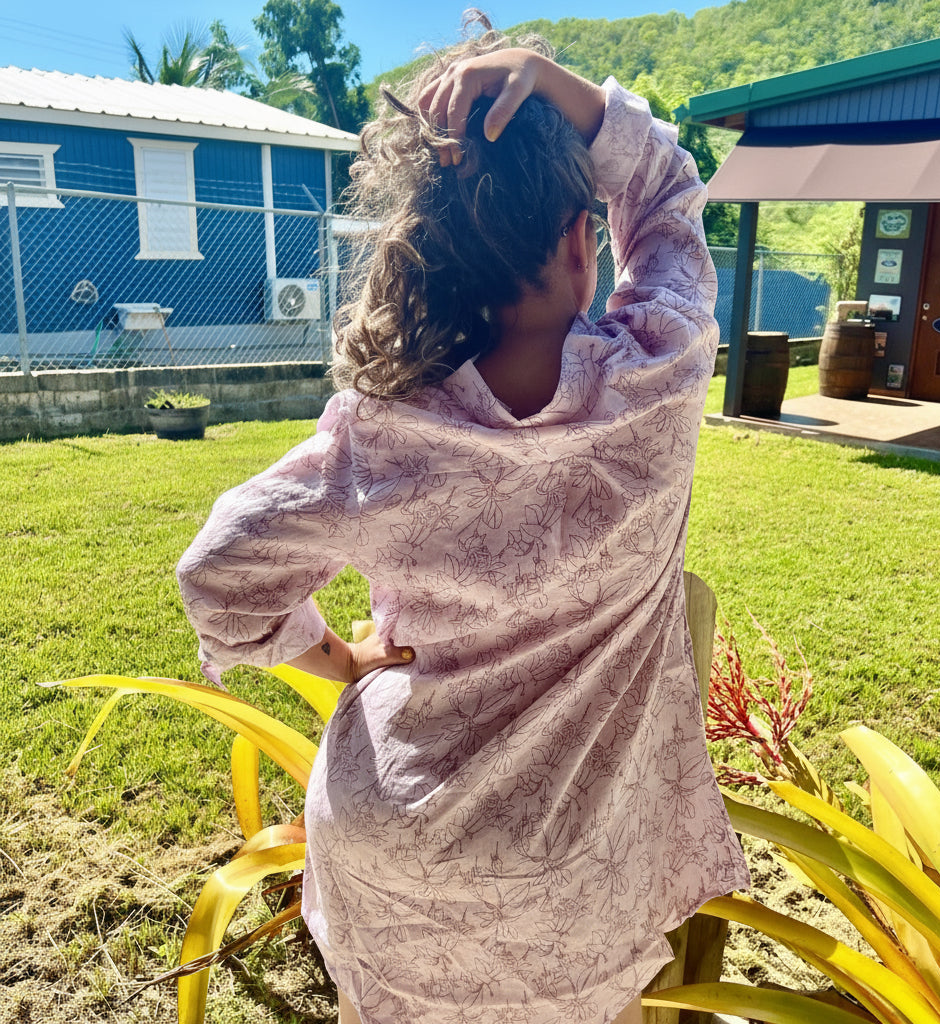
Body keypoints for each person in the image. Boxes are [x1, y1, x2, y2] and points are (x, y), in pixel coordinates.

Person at [177, 16, 749, 1024]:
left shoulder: (374, 438)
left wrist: (338, 663)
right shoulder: (658, 376)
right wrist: (564, 90)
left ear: (422, 260)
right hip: (573, 870)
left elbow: (219, 572)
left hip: (391, 847)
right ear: (582, 246)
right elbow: (662, 188)